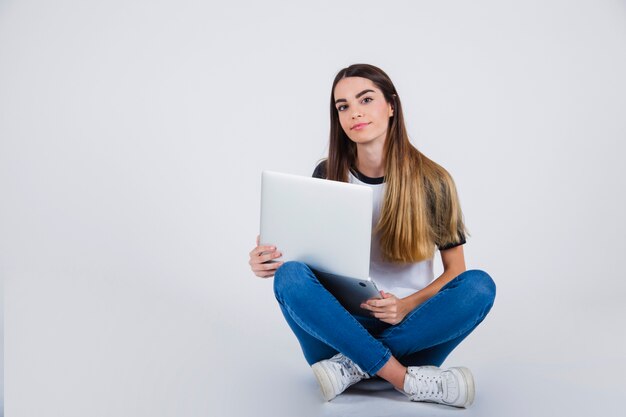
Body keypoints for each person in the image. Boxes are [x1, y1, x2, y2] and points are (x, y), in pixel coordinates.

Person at [248, 63, 496, 408]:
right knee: (290, 277)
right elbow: (306, 258)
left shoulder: (433, 180)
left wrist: (404, 306)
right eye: (343, 106)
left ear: (391, 106)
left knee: (480, 286)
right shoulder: (327, 173)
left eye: (366, 99)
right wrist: (269, 257)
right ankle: (406, 380)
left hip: (413, 330)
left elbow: (456, 272)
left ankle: (352, 366)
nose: (354, 113)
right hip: (337, 327)